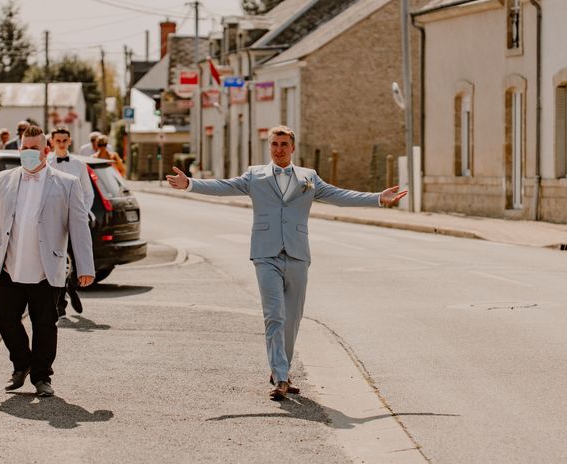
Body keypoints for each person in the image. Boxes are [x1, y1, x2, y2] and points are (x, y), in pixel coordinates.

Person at [166, 125, 407, 400]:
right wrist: (191, 184)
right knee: (275, 316)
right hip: (265, 254)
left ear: (292, 148)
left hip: (297, 254)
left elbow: (339, 196)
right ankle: (280, 377)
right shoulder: (255, 176)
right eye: (274, 144)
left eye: (283, 144)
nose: (279, 149)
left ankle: (281, 368)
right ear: (269, 147)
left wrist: (377, 198)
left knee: (292, 319)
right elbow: (224, 187)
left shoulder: (309, 178)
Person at [0, 125, 95, 397]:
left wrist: (86, 268)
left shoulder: (67, 183)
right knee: (4, 317)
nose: (29, 153)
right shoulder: (3, 179)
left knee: (44, 324)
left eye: (34, 148)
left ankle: (42, 377)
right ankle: (22, 365)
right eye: (25, 148)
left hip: (46, 268)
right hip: (8, 266)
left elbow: (79, 227)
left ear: (46, 150)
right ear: (19, 150)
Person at [47, 126, 95, 317]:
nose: (61, 143)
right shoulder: (46, 162)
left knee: (74, 258)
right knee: (57, 260)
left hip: (74, 219)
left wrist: (81, 214)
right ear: (51, 141)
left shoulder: (79, 165)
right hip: (52, 220)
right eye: (57, 140)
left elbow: (88, 193)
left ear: (69, 141)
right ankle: (60, 301)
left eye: (64, 140)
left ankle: (70, 286)